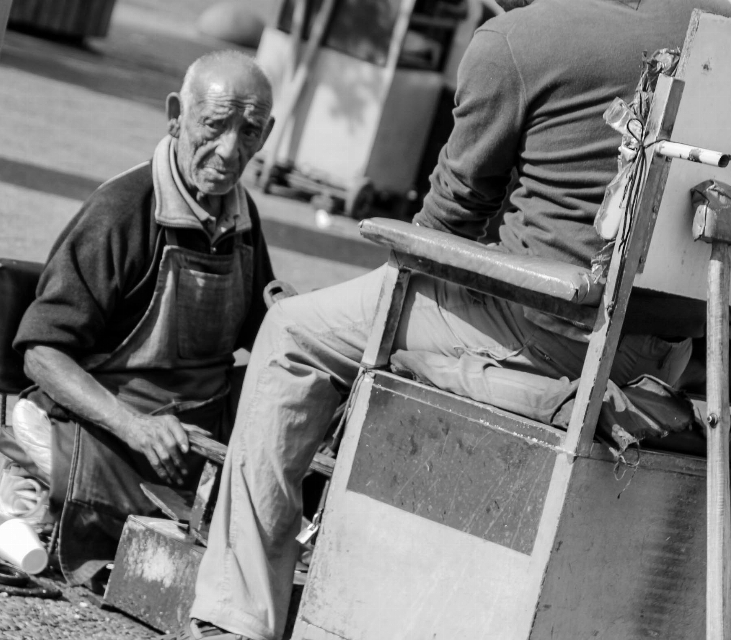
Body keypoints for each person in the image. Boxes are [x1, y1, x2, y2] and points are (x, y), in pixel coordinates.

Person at [173, 0, 731, 638]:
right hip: (672, 347)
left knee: (294, 332)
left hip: (545, 322)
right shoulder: (718, 38)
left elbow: (448, 217)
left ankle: (237, 615)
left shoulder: (519, 40)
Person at [0, 50, 276, 586]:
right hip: (118, 430)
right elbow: (42, 353)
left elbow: (265, 334)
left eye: (250, 131)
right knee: (59, 461)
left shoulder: (243, 217)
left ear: (267, 134)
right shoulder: (122, 210)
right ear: (175, 115)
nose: (229, 150)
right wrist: (137, 427)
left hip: (196, 437)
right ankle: (39, 479)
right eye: (214, 126)